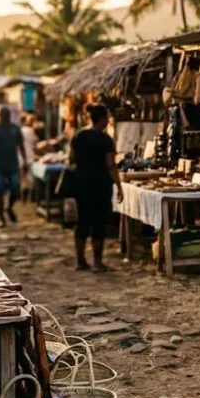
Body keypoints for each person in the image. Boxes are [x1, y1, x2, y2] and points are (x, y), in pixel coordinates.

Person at [69, 104, 122, 272]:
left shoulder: (79, 135)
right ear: (101, 119)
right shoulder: (105, 139)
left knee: (82, 221)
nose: (108, 121)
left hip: (81, 183)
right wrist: (119, 186)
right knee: (98, 222)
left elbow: (71, 159)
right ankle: (97, 263)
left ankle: (79, 261)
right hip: (100, 185)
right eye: (107, 118)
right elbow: (110, 165)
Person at [0, 106, 28, 227]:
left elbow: (21, 146)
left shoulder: (15, 129)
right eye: (3, 115)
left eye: (7, 115)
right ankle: (2, 219)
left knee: (15, 190)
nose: (5, 117)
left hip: (13, 165)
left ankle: (9, 207)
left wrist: (25, 161)